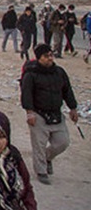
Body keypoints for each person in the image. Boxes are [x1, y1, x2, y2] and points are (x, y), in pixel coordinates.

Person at [20, 43, 78, 185]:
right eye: (46, 56)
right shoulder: (30, 74)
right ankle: (41, 171)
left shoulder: (59, 72)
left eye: (51, 55)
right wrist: (29, 113)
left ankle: (47, 158)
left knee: (62, 142)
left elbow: (67, 91)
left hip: (56, 114)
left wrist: (73, 108)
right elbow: (26, 94)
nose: (50, 58)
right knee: (39, 145)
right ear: (39, 58)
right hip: (38, 114)